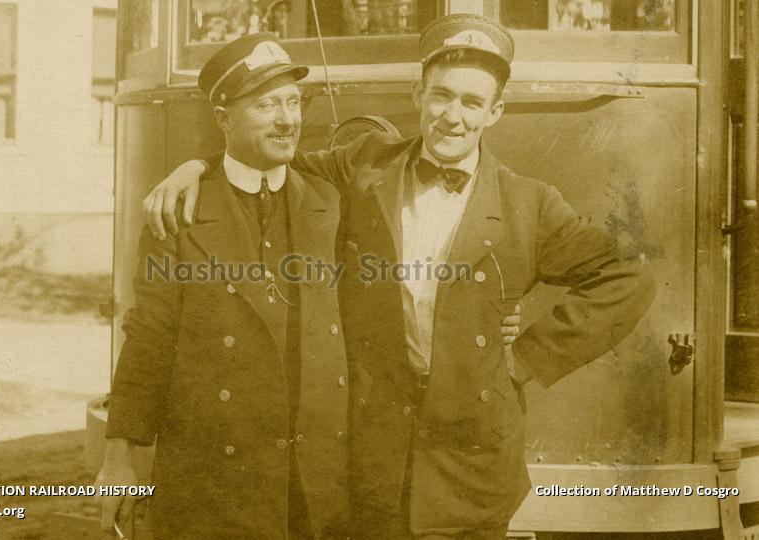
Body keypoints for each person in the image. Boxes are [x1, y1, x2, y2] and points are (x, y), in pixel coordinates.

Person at [143, 13, 657, 540]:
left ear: (495, 111)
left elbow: (626, 274)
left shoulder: (529, 203)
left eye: (472, 102)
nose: (452, 117)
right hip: (374, 455)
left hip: (471, 461)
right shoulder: (365, 165)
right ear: (418, 95)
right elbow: (272, 156)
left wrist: (527, 357)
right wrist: (196, 167)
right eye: (441, 96)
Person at [94, 32, 353, 539]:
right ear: (223, 118)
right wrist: (118, 457)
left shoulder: (331, 202)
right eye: (266, 105)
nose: (287, 119)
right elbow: (149, 340)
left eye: (293, 102)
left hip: (313, 488)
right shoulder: (179, 214)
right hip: (214, 486)